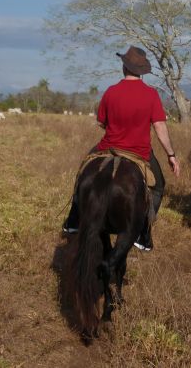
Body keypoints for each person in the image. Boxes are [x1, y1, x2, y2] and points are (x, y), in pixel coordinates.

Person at [62, 46, 181, 252]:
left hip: (108, 147)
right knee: (159, 186)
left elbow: (101, 123)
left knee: (83, 171)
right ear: (141, 70)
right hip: (139, 152)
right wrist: (171, 155)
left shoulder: (111, 91)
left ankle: (74, 219)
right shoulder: (151, 94)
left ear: (124, 67)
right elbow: (160, 126)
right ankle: (143, 232)